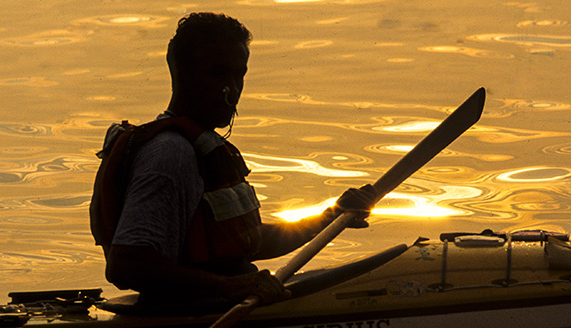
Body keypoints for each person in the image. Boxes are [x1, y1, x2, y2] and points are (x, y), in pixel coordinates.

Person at [91, 12, 378, 308]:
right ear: (182, 74)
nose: (232, 89)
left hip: (228, 305)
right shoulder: (170, 155)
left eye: (238, 74)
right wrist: (228, 286)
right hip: (190, 321)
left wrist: (329, 218)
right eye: (217, 73)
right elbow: (125, 265)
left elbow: (243, 242)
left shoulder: (199, 148)